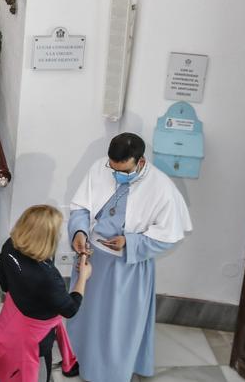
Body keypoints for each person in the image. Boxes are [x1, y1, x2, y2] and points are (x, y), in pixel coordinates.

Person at [66, 133, 192, 382]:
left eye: (122, 170)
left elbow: (168, 236)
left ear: (140, 161)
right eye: (112, 168)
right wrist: (79, 231)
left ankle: (110, 373)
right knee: (84, 316)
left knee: (116, 325)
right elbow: (81, 207)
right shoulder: (99, 167)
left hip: (127, 268)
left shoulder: (161, 187)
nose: (116, 174)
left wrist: (130, 242)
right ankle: (76, 359)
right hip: (92, 258)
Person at [0, 205, 90, 381]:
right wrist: (83, 277)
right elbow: (70, 309)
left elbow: (4, 284)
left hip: (9, 322)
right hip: (34, 339)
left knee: (5, 364)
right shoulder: (48, 278)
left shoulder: (9, 246)